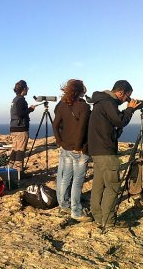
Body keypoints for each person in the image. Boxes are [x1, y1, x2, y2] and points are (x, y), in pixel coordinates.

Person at [88, 80, 141, 228]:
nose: (127, 100)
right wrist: (130, 110)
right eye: (127, 97)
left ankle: (98, 216)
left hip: (96, 150)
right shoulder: (108, 103)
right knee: (112, 187)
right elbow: (120, 121)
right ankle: (108, 221)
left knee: (99, 185)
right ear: (121, 92)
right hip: (106, 151)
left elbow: (112, 122)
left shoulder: (100, 101)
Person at [52, 79, 92, 222]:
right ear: (81, 90)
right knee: (77, 181)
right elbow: (82, 128)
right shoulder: (84, 107)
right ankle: (76, 211)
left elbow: (55, 125)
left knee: (65, 178)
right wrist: (78, 146)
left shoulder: (62, 105)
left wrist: (60, 142)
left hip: (66, 148)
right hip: (79, 149)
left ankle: (63, 205)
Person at [9, 80, 36, 176]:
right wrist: (30, 109)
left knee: (15, 149)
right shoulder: (20, 100)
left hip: (14, 128)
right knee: (20, 151)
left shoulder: (15, 99)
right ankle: (18, 173)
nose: (28, 89)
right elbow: (20, 114)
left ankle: (10, 170)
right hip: (20, 129)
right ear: (24, 89)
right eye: (27, 87)